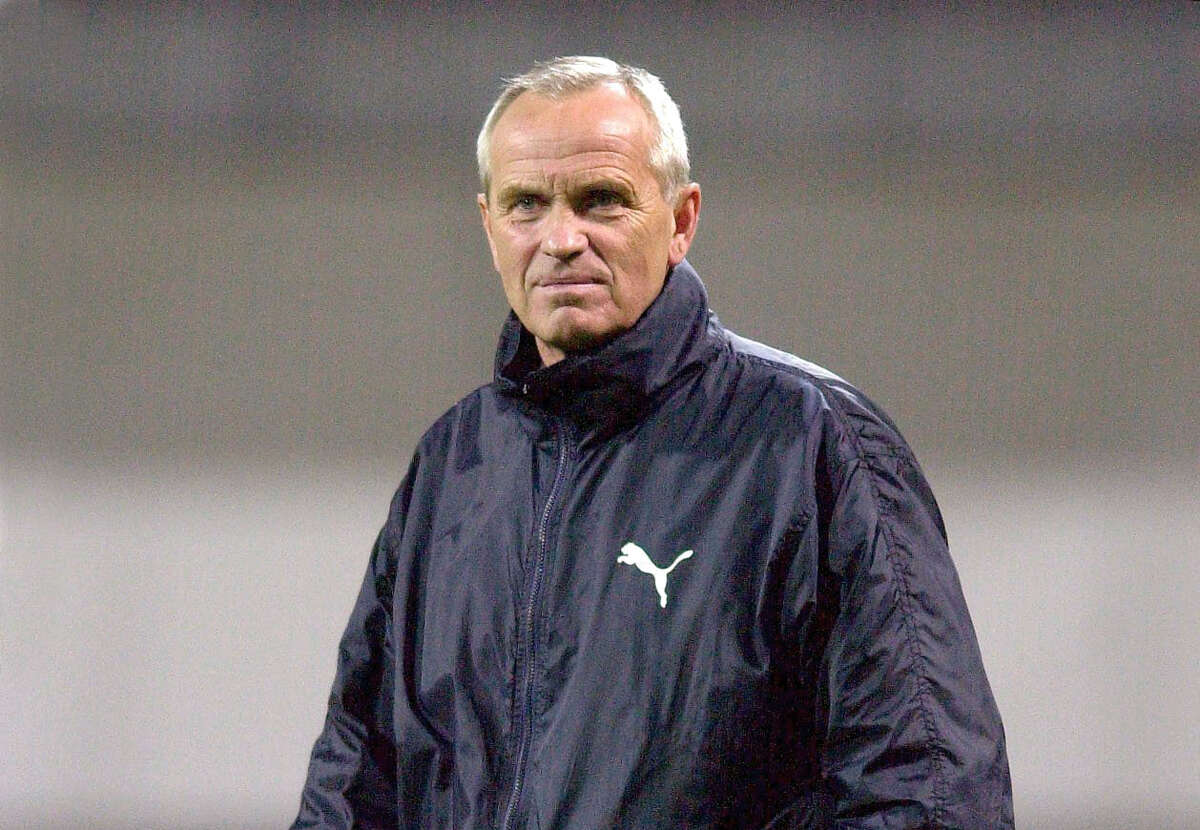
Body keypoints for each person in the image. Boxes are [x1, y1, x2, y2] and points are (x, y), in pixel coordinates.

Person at [292, 56, 1014, 829]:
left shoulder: (810, 446)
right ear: (489, 225)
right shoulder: (453, 467)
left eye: (600, 201)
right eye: (526, 204)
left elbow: (929, 794)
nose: (561, 238)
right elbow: (356, 782)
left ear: (681, 220)